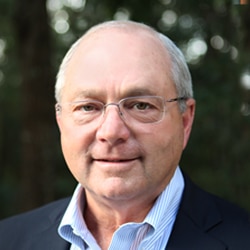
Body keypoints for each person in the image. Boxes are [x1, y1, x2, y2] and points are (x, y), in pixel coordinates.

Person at [0, 20, 249, 250]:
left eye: (140, 105)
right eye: (88, 107)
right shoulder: (8, 239)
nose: (111, 132)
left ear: (185, 121)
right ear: (61, 121)